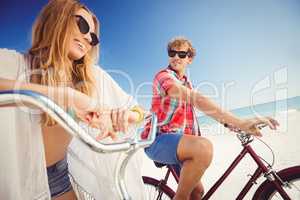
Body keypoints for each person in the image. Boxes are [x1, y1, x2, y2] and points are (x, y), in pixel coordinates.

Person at [0, 0, 145, 199]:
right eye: (82, 25)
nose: (87, 38)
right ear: (57, 20)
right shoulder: (17, 63)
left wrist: (127, 115)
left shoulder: (91, 77)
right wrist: (66, 95)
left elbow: (138, 110)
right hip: (15, 174)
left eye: (92, 37)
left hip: (58, 175)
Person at [141, 36, 280, 200]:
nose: (176, 57)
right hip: (157, 140)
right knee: (203, 148)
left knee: (197, 192)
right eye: (172, 53)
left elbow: (195, 114)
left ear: (190, 59)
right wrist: (241, 122)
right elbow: (196, 99)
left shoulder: (187, 82)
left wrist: (232, 125)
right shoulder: (163, 76)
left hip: (180, 143)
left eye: (182, 54)